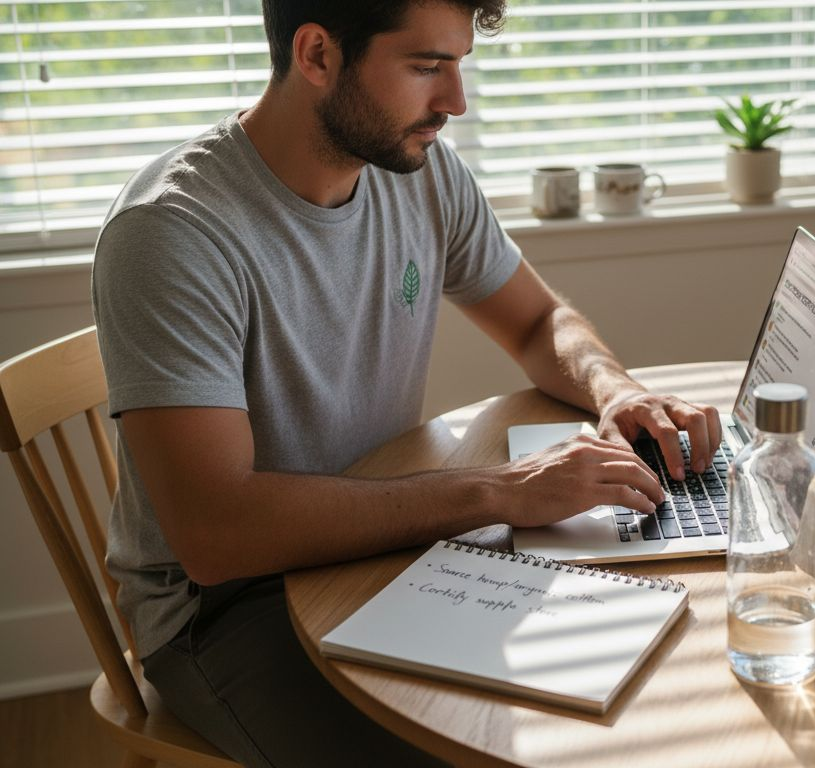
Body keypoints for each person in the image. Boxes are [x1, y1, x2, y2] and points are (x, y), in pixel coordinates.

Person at [90, 1, 721, 765]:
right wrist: (498, 490)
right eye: (426, 68)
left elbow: (535, 322)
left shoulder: (415, 171)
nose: (455, 102)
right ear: (318, 55)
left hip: (393, 546)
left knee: (638, 678)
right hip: (229, 608)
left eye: (459, 64)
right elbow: (218, 536)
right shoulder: (174, 234)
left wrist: (613, 389)